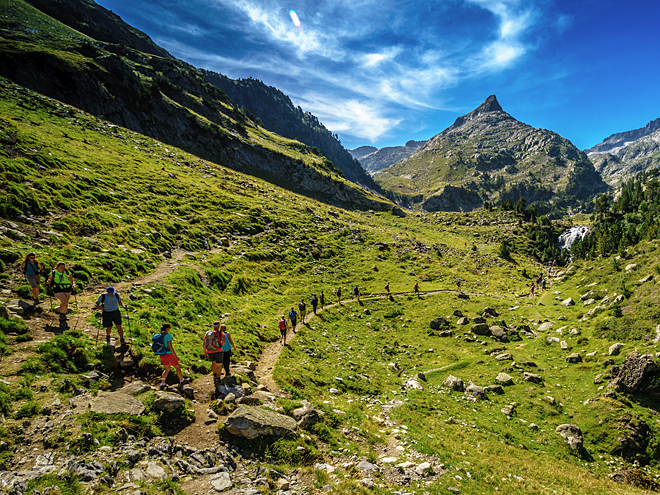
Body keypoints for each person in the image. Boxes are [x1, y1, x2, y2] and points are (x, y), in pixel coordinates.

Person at [155, 323, 187, 391]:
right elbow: (170, 347)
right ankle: (181, 380)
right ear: (167, 328)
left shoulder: (160, 335)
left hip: (162, 354)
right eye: (169, 327)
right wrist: (176, 356)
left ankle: (162, 383)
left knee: (167, 369)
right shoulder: (168, 336)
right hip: (169, 354)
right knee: (177, 367)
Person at [203, 321, 225, 387]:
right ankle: (218, 377)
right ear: (219, 326)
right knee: (219, 364)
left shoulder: (208, 333)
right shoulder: (221, 333)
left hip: (209, 350)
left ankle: (214, 374)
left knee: (213, 363)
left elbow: (204, 343)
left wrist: (205, 351)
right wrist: (220, 345)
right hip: (218, 350)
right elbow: (223, 342)